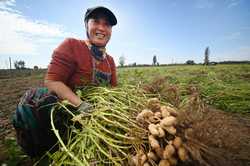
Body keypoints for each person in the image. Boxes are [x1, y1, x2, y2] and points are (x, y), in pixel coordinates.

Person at [12, 6, 117, 158]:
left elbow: (113, 90)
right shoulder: (71, 45)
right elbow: (52, 81)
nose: (101, 28)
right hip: (68, 112)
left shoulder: (110, 61)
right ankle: (42, 152)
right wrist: (80, 105)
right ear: (86, 24)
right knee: (34, 98)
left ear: (111, 30)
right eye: (96, 22)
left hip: (97, 114)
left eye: (107, 24)